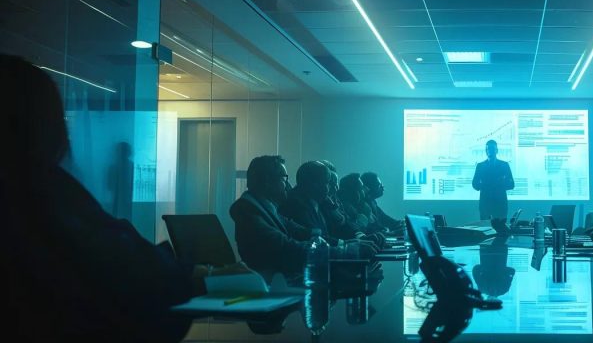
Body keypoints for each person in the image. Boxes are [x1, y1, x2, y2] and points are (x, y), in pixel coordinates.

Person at [3, 54, 248, 341]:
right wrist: (203, 276)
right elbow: (124, 268)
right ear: (45, 128)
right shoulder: (43, 192)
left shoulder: (36, 192)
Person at [231, 156, 375, 284]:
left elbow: (304, 232)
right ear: (268, 182)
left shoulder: (266, 208)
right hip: (272, 290)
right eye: (284, 179)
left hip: (284, 282)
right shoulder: (248, 211)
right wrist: (345, 252)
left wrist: (345, 245)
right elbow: (288, 248)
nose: (288, 185)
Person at [472, 139, 514, 221]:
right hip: (485, 203)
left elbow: (511, 184)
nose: (490, 151)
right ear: (486, 151)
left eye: (492, 149)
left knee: (501, 231)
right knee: (485, 229)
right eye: (488, 149)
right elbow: (474, 184)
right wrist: (487, 186)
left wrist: (497, 185)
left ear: (497, 150)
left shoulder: (504, 165)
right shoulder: (480, 166)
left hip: (500, 203)